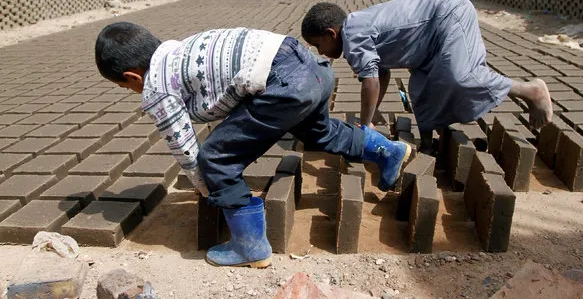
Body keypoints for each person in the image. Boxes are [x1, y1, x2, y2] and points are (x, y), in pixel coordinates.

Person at [95, 22, 410, 268]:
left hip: (284, 83)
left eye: (124, 87)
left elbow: (185, 149)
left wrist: (209, 189)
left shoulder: (156, 87)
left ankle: (249, 246)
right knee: (319, 132)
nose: (130, 91)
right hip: (310, 68)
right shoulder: (176, 52)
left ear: (132, 77)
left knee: (214, 158)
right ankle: (388, 152)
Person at [301, 0, 553, 147]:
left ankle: (531, 91)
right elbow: (382, 73)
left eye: (318, 45)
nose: (321, 53)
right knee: (422, 90)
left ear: (330, 33)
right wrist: (374, 111)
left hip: (448, 16)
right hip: (426, 43)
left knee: (461, 77)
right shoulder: (355, 28)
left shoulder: (353, 35)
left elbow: (370, 82)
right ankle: (432, 145)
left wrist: (366, 125)